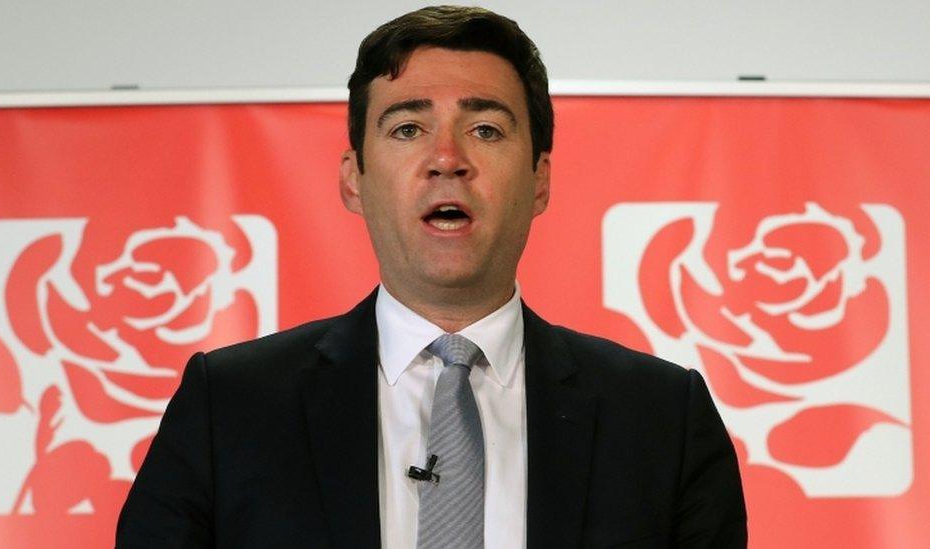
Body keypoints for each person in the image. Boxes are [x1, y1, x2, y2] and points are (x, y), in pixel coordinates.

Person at [116, 6, 746, 548]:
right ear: (353, 179)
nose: (448, 159)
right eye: (409, 128)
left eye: (486, 130)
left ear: (540, 180)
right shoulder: (228, 407)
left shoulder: (663, 418)